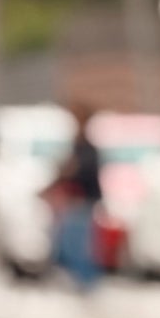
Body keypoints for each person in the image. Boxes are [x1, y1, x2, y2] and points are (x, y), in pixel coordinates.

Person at [49, 105, 103, 289]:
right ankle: (79, 280)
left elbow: (77, 171)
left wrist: (68, 170)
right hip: (74, 201)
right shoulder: (78, 146)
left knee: (78, 245)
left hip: (82, 201)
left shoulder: (87, 149)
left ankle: (86, 281)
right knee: (71, 243)